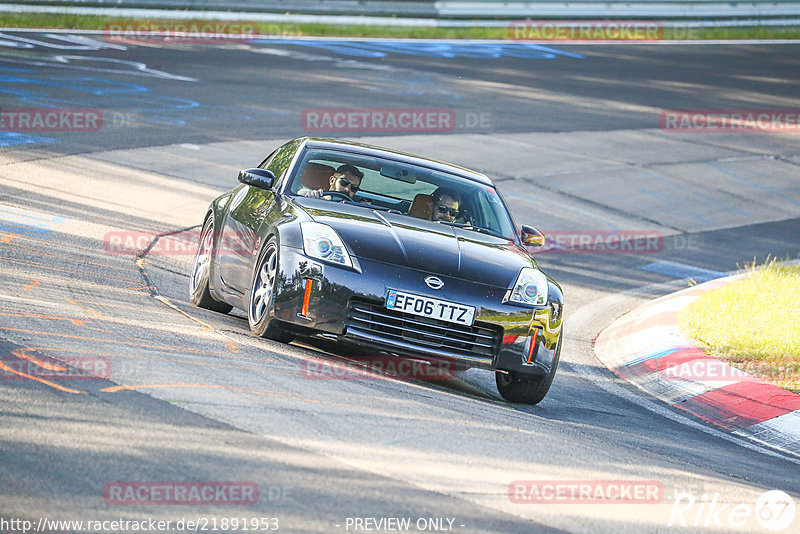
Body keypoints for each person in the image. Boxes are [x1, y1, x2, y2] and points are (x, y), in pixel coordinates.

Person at [298, 164, 364, 200]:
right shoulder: (317, 197)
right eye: (344, 182)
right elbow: (299, 193)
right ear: (332, 180)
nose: (347, 189)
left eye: (354, 188)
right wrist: (312, 195)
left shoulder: (360, 207)